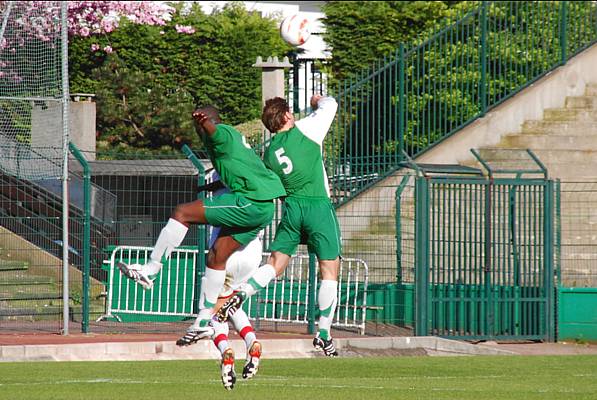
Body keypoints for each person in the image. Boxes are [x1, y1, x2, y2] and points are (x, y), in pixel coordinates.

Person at [118, 105, 286, 343]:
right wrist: (212, 187)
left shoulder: (223, 133)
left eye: (199, 126)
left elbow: (214, 132)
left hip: (250, 202)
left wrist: (204, 122)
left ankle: (150, 271)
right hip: (261, 207)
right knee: (216, 257)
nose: (197, 130)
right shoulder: (229, 143)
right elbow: (240, 168)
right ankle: (203, 323)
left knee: (182, 212)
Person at [217, 95, 341, 357]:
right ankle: (324, 333)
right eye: (289, 112)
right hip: (317, 205)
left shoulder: (270, 154)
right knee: (329, 270)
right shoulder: (307, 130)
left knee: (275, 263)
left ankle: (242, 294)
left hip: (292, 208)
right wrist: (316, 99)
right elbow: (330, 105)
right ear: (285, 117)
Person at [175, 173, 263, 391]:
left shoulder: (220, 188)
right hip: (254, 253)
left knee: (213, 308)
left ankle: (225, 350)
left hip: (227, 255)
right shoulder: (254, 179)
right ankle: (251, 340)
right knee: (231, 302)